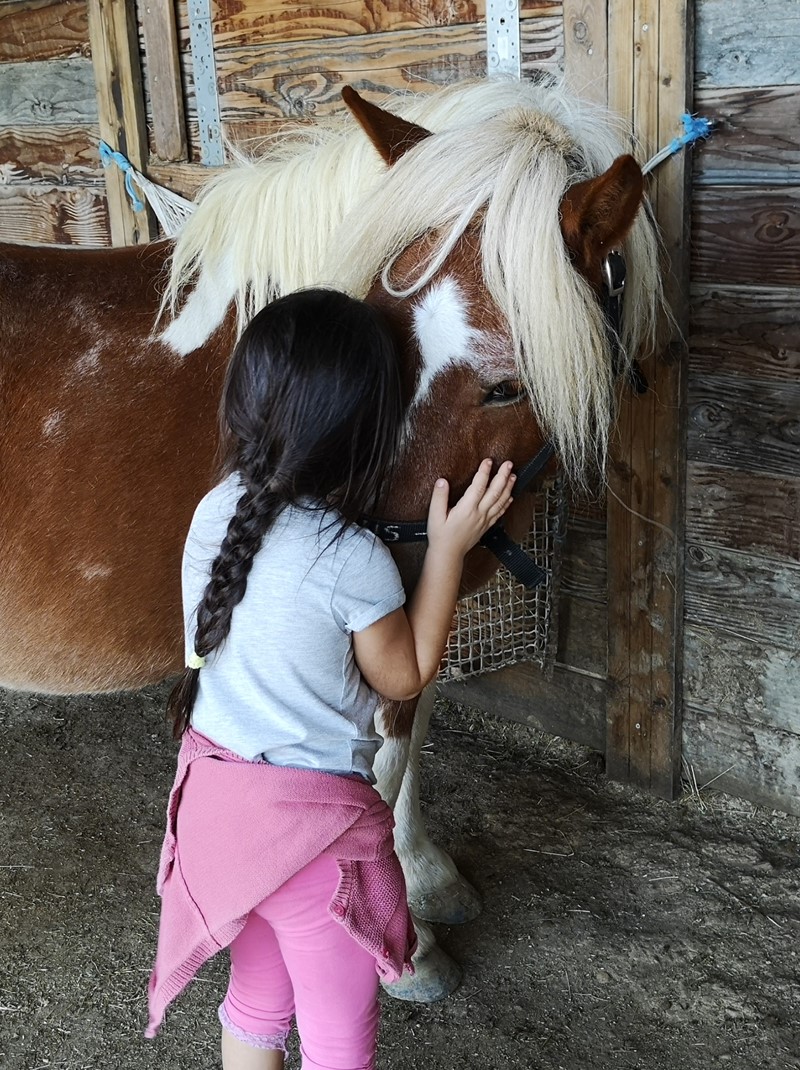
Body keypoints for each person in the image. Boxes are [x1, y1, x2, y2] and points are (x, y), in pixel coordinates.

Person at [145, 287, 516, 1070]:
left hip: (218, 817)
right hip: (314, 844)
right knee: (337, 1040)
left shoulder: (212, 513)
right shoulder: (352, 560)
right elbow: (403, 676)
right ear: (371, 434)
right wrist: (447, 551)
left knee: (254, 1006)